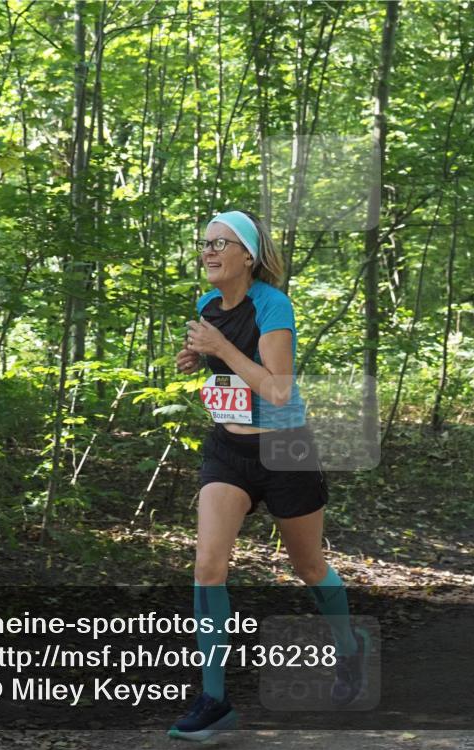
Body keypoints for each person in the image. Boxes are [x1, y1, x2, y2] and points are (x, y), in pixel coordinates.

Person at [168, 210, 371, 741]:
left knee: (309, 566)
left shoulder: (272, 304)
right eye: (205, 243)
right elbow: (228, 371)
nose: (208, 251)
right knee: (208, 567)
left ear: (248, 256)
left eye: (221, 243)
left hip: (286, 451)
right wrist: (197, 356)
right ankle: (214, 699)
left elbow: (278, 390)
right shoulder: (206, 306)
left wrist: (220, 350)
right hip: (227, 451)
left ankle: (348, 651)